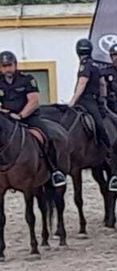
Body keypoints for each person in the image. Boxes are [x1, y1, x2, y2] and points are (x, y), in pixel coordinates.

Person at [0, 50, 70, 187]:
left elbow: (33, 101)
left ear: (15, 65)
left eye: (9, 65)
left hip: (28, 117)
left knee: (47, 137)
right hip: (7, 119)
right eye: (4, 66)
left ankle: (55, 171)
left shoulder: (27, 79)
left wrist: (20, 116)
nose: (7, 69)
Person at [66, 37, 117, 173]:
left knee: (99, 124)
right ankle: (108, 150)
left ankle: (108, 149)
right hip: (95, 100)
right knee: (100, 123)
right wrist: (103, 99)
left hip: (86, 100)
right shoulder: (95, 65)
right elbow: (102, 84)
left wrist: (73, 101)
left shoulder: (85, 65)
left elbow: (82, 83)